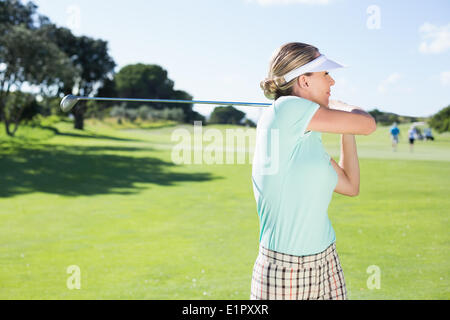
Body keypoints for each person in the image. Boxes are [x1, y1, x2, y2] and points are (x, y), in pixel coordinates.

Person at [251, 42, 376, 300]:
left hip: (326, 260)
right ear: (304, 81)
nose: (332, 82)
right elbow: (367, 125)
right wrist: (343, 107)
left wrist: (345, 125)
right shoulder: (286, 109)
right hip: (287, 270)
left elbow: (351, 186)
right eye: (325, 74)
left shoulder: (309, 141)